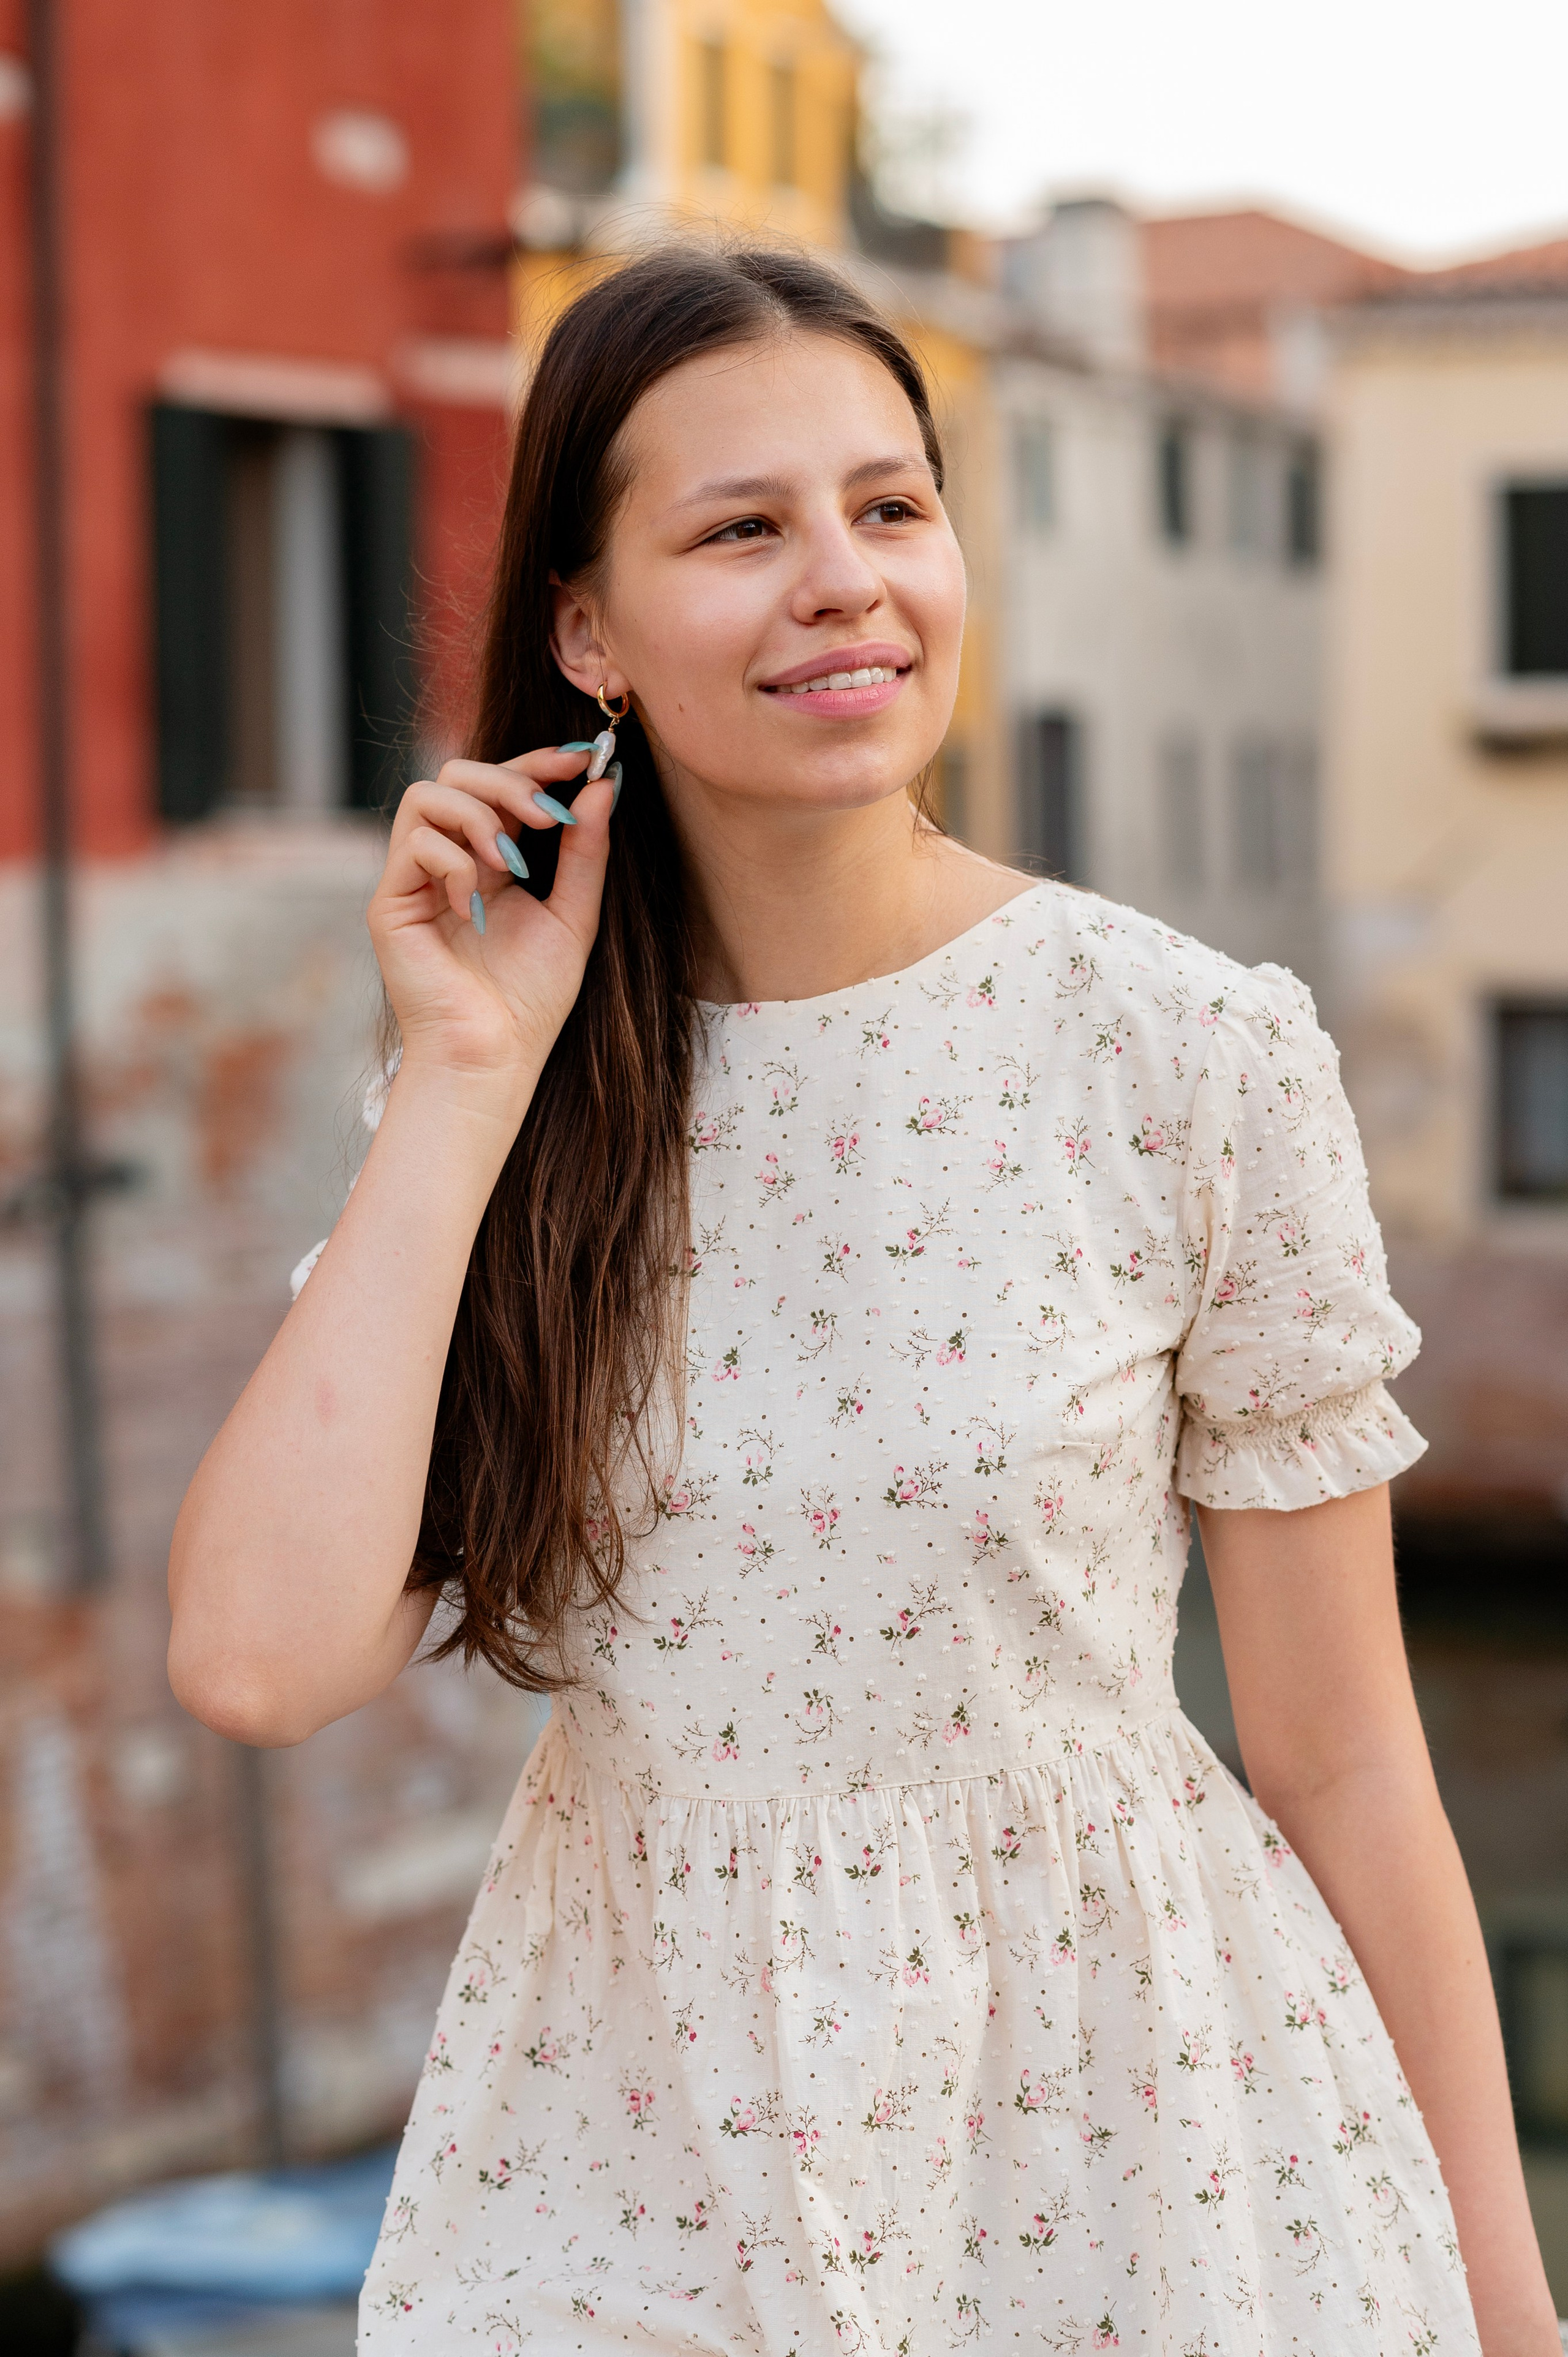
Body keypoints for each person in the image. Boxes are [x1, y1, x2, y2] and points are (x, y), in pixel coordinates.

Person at [168, 245, 1556, 2356]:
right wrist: (462, 1078)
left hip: (1130, 2132)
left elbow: (1348, 1757)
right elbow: (261, 1663)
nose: (844, 578)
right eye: (742, 530)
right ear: (587, 628)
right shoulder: (506, 1093)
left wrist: (1510, 2306)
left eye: (891, 506)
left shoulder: (1185, 1048)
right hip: (636, 2139)